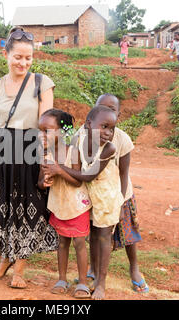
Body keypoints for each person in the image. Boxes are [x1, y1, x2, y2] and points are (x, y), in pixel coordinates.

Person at [0, 27, 58, 289]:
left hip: (30, 152)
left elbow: (48, 126)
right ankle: (5, 259)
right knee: (2, 206)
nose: (23, 63)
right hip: (1, 152)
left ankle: (20, 267)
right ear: (5, 54)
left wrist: (47, 162)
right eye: (18, 57)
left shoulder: (42, 83)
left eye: (28, 58)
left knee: (28, 209)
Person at [44, 106, 122, 300]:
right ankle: (87, 276)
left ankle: (100, 284)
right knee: (87, 238)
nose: (108, 132)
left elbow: (87, 175)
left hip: (105, 196)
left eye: (111, 128)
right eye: (104, 126)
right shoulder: (78, 139)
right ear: (88, 124)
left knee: (103, 238)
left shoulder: (109, 148)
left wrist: (59, 168)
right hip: (83, 197)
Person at [93, 94, 149, 293]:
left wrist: (120, 201)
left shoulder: (122, 139)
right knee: (98, 233)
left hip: (120, 193)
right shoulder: (86, 135)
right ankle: (93, 269)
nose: (107, 113)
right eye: (102, 107)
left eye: (112, 110)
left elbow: (124, 174)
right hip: (97, 193)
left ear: (119, 115)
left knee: (128, 235)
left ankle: (134, 268)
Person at [37, 109, 93, 299]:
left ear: (63, 132)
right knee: (62, 242)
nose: (41, 135)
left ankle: (83, 283)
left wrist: (59, 170)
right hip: (59, 206)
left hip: (76, 206)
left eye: (47, 130)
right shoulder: (45, 154)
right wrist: (44, 182)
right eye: (40, 130)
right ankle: (62, 279)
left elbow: (78, 182)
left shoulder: (73, 152)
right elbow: (40, 183)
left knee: (79, 243)